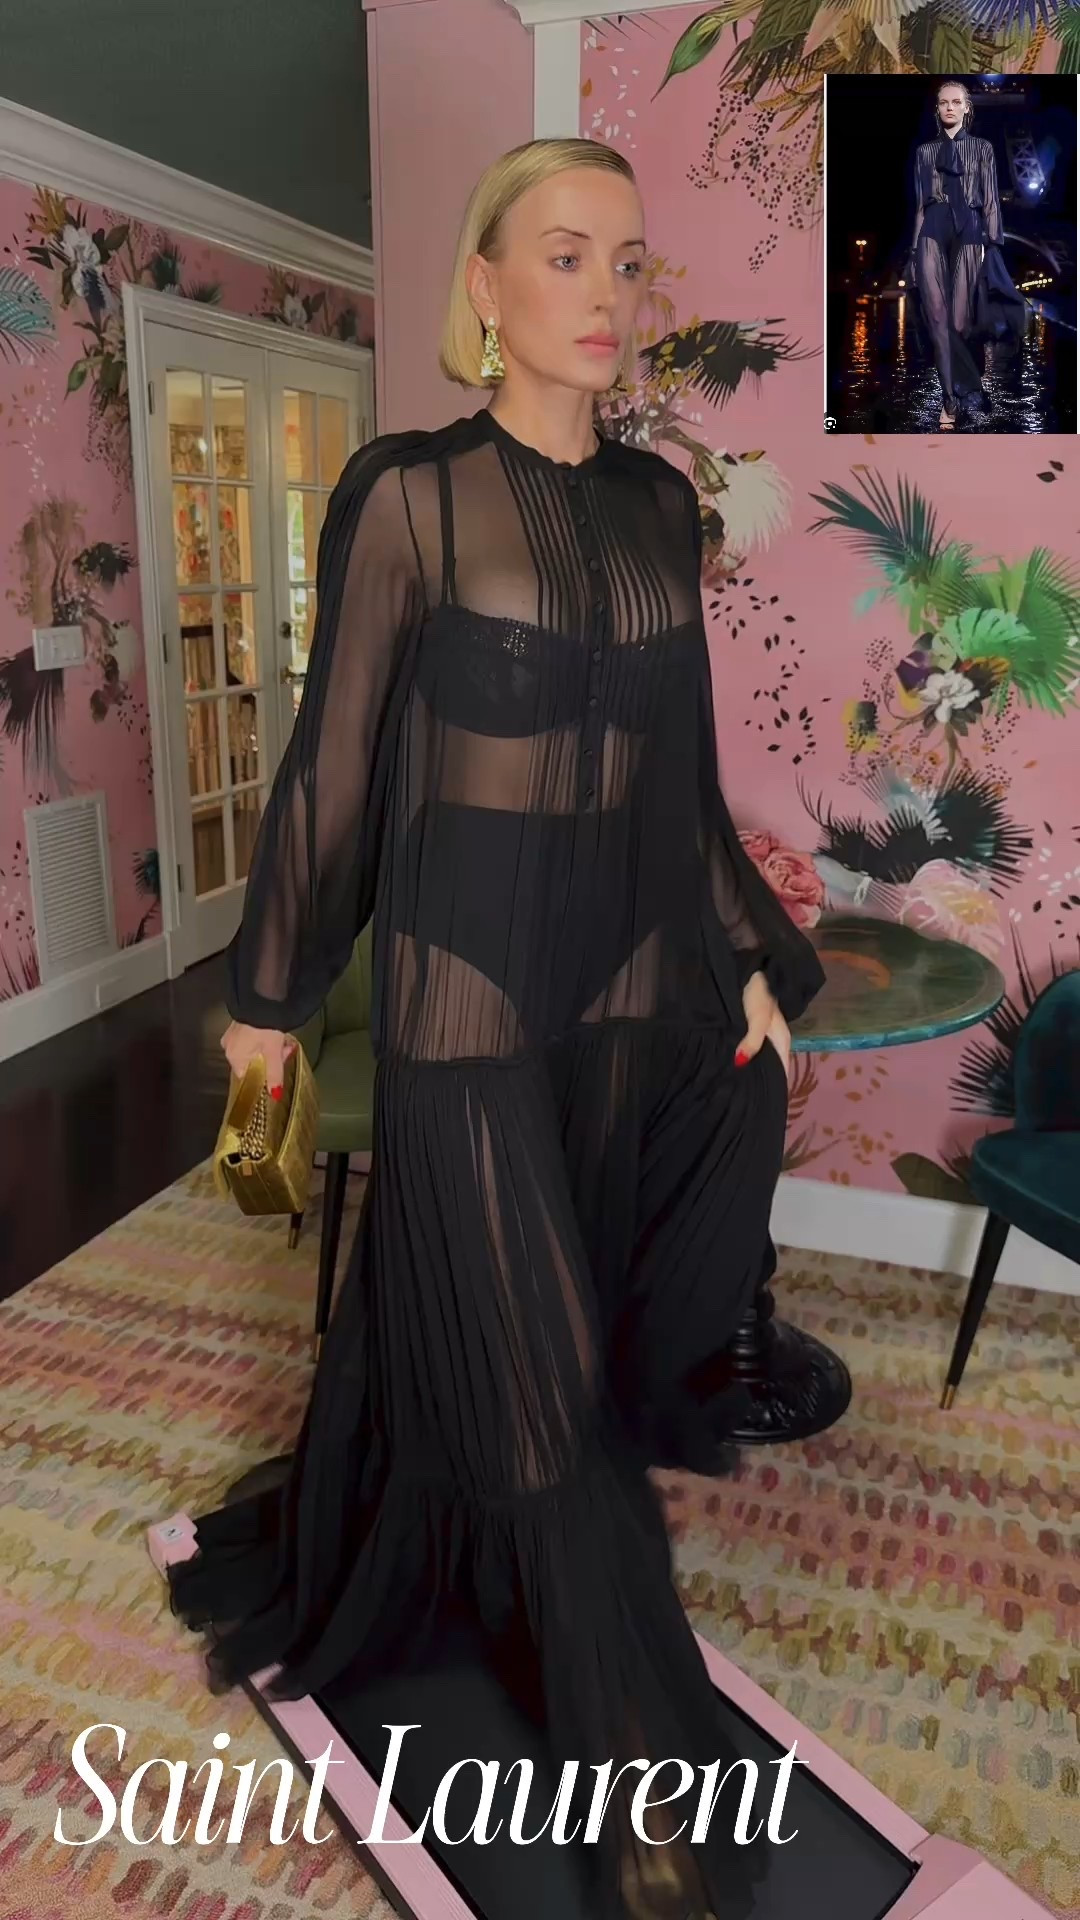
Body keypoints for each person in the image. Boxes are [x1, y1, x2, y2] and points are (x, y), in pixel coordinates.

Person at [165, 137, 824, 1918]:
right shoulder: (409, 497)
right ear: (485, 284)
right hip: (461, 995)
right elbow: (334, 771)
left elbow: (682, 780)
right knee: (541, 1398)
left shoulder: (661, 509)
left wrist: (745, 962)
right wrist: (268, 1002)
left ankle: (457, 1553)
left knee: (574, 1333)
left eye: (628, 259)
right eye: (565, 254)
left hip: (618, 997)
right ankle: (647, 1786)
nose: (606, 292)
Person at [908, 79, 1023, 430]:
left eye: (956, 102)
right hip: (932, 229)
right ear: (937, 108)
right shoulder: (925, 152)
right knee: (937, 319)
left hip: (971, 230)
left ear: (967, 108)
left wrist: (993, 246)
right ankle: (950, 400)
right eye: (944, 102)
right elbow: (920, 205)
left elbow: (990, 200)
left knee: (959, 323)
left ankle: (968, 384)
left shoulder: (982, 149)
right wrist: (913, 251)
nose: (949, 107)